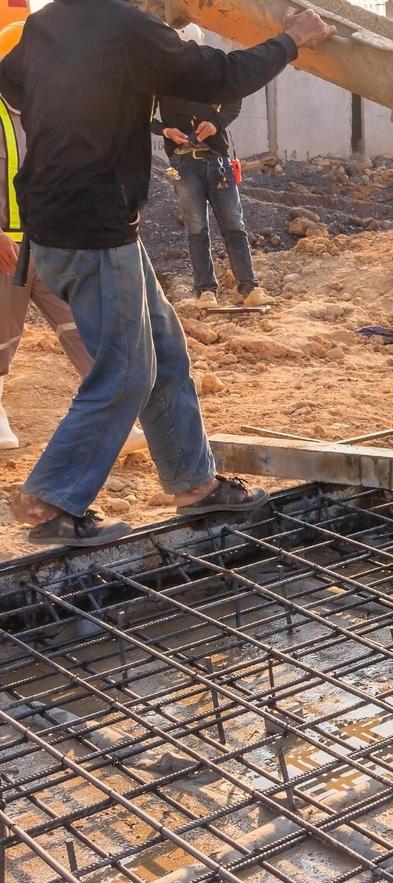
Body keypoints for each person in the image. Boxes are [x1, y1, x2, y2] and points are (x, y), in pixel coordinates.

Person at [0, 0, 333, 547]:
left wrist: (113, 94)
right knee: (127, 371)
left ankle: (194, 483)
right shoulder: (130, 28)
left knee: (163, 347)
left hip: (54, 223)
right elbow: (222, 76)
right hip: (94, 227)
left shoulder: (46, 23)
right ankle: (51, 498)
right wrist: (292, 39)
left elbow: (14, 88)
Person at [0, 19, 146, 454]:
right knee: (3, 331)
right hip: (5, 245)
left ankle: (113, 418)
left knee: (82, 326)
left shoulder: (49, 106)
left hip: (51, 237)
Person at [153, 23, 269, 308]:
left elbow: (234, 101)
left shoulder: (212, 72)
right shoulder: (159, 78)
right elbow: (141, 115)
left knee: (233, 225)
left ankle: (249, 288)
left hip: (216, 161)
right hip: (183, 163)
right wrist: (166, 131)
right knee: (196, 228)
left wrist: (215, 124)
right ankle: (205, 291)